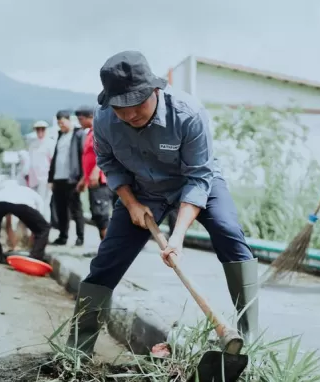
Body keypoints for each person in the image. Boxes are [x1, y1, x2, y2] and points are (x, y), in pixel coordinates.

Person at [66, 51, 259, 356]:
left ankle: (249, 337)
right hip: (143, 191)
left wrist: (177, 237)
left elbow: (199, 176)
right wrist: (130, 203)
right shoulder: (103, 118)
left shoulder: (188, 113)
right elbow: (108, 162)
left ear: (155, 90)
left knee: (229, 232)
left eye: (137, 104)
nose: (129, 115)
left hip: (195, 181)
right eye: (121, 107)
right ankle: (76, 350)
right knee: (106, 262)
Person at [0, 179, 50, 263]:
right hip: (21, 204)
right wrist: (32, 245)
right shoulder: (37, 198)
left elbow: (8, 225)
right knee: (44, 228)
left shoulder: (5, 190)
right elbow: (38, 228)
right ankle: (35, 257)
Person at [47, 110, 86, 246]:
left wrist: (82, 177)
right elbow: (55, 159)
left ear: (69, 120)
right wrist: (50, 179)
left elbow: (83, 157)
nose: (60, 125)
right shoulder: (60, 136)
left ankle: (80, 237)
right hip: (59, 178)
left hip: (72, 179)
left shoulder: (78, 135)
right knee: (61, 210)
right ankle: (63, 236)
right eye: (58, 123)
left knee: (76, 209)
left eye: (62, 122)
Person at [75, 106, 113, 239]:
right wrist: (83, 179)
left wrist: (97, 170)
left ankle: (109, 250)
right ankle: (105, 247)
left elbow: (105, 152)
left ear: (90, 117)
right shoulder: (89, 133)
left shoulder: (100, 131)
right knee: (97, 214)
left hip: (101, 180)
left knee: (102, 214)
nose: (80, 122)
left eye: (81, 119)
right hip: (91, 180)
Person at [27, 121, 56, 222]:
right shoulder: (32, 145)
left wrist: (51, 180)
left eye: (42, 129)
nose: (40, 131)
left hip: (45, 178)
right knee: (34, 203)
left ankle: (45, 226)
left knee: (44, 203)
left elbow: (53, 162)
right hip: (33, 179)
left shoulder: (50, 143)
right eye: (38, 129)